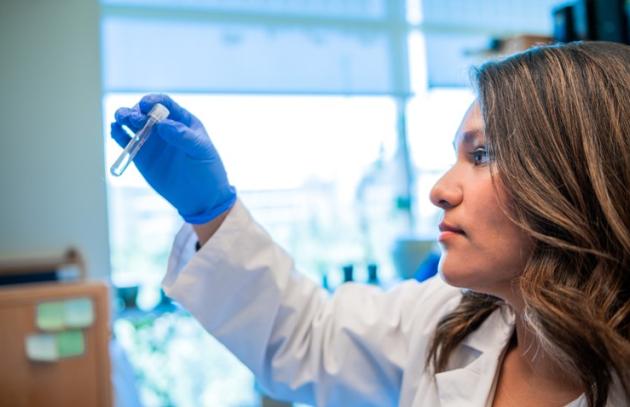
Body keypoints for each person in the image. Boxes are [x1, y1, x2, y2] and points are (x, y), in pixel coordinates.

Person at [111, 41, 630, 406]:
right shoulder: (449, 318)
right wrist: (212, 212)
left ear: (575, 176)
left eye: (483, 154)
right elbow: (308, 339)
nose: (440, 191)